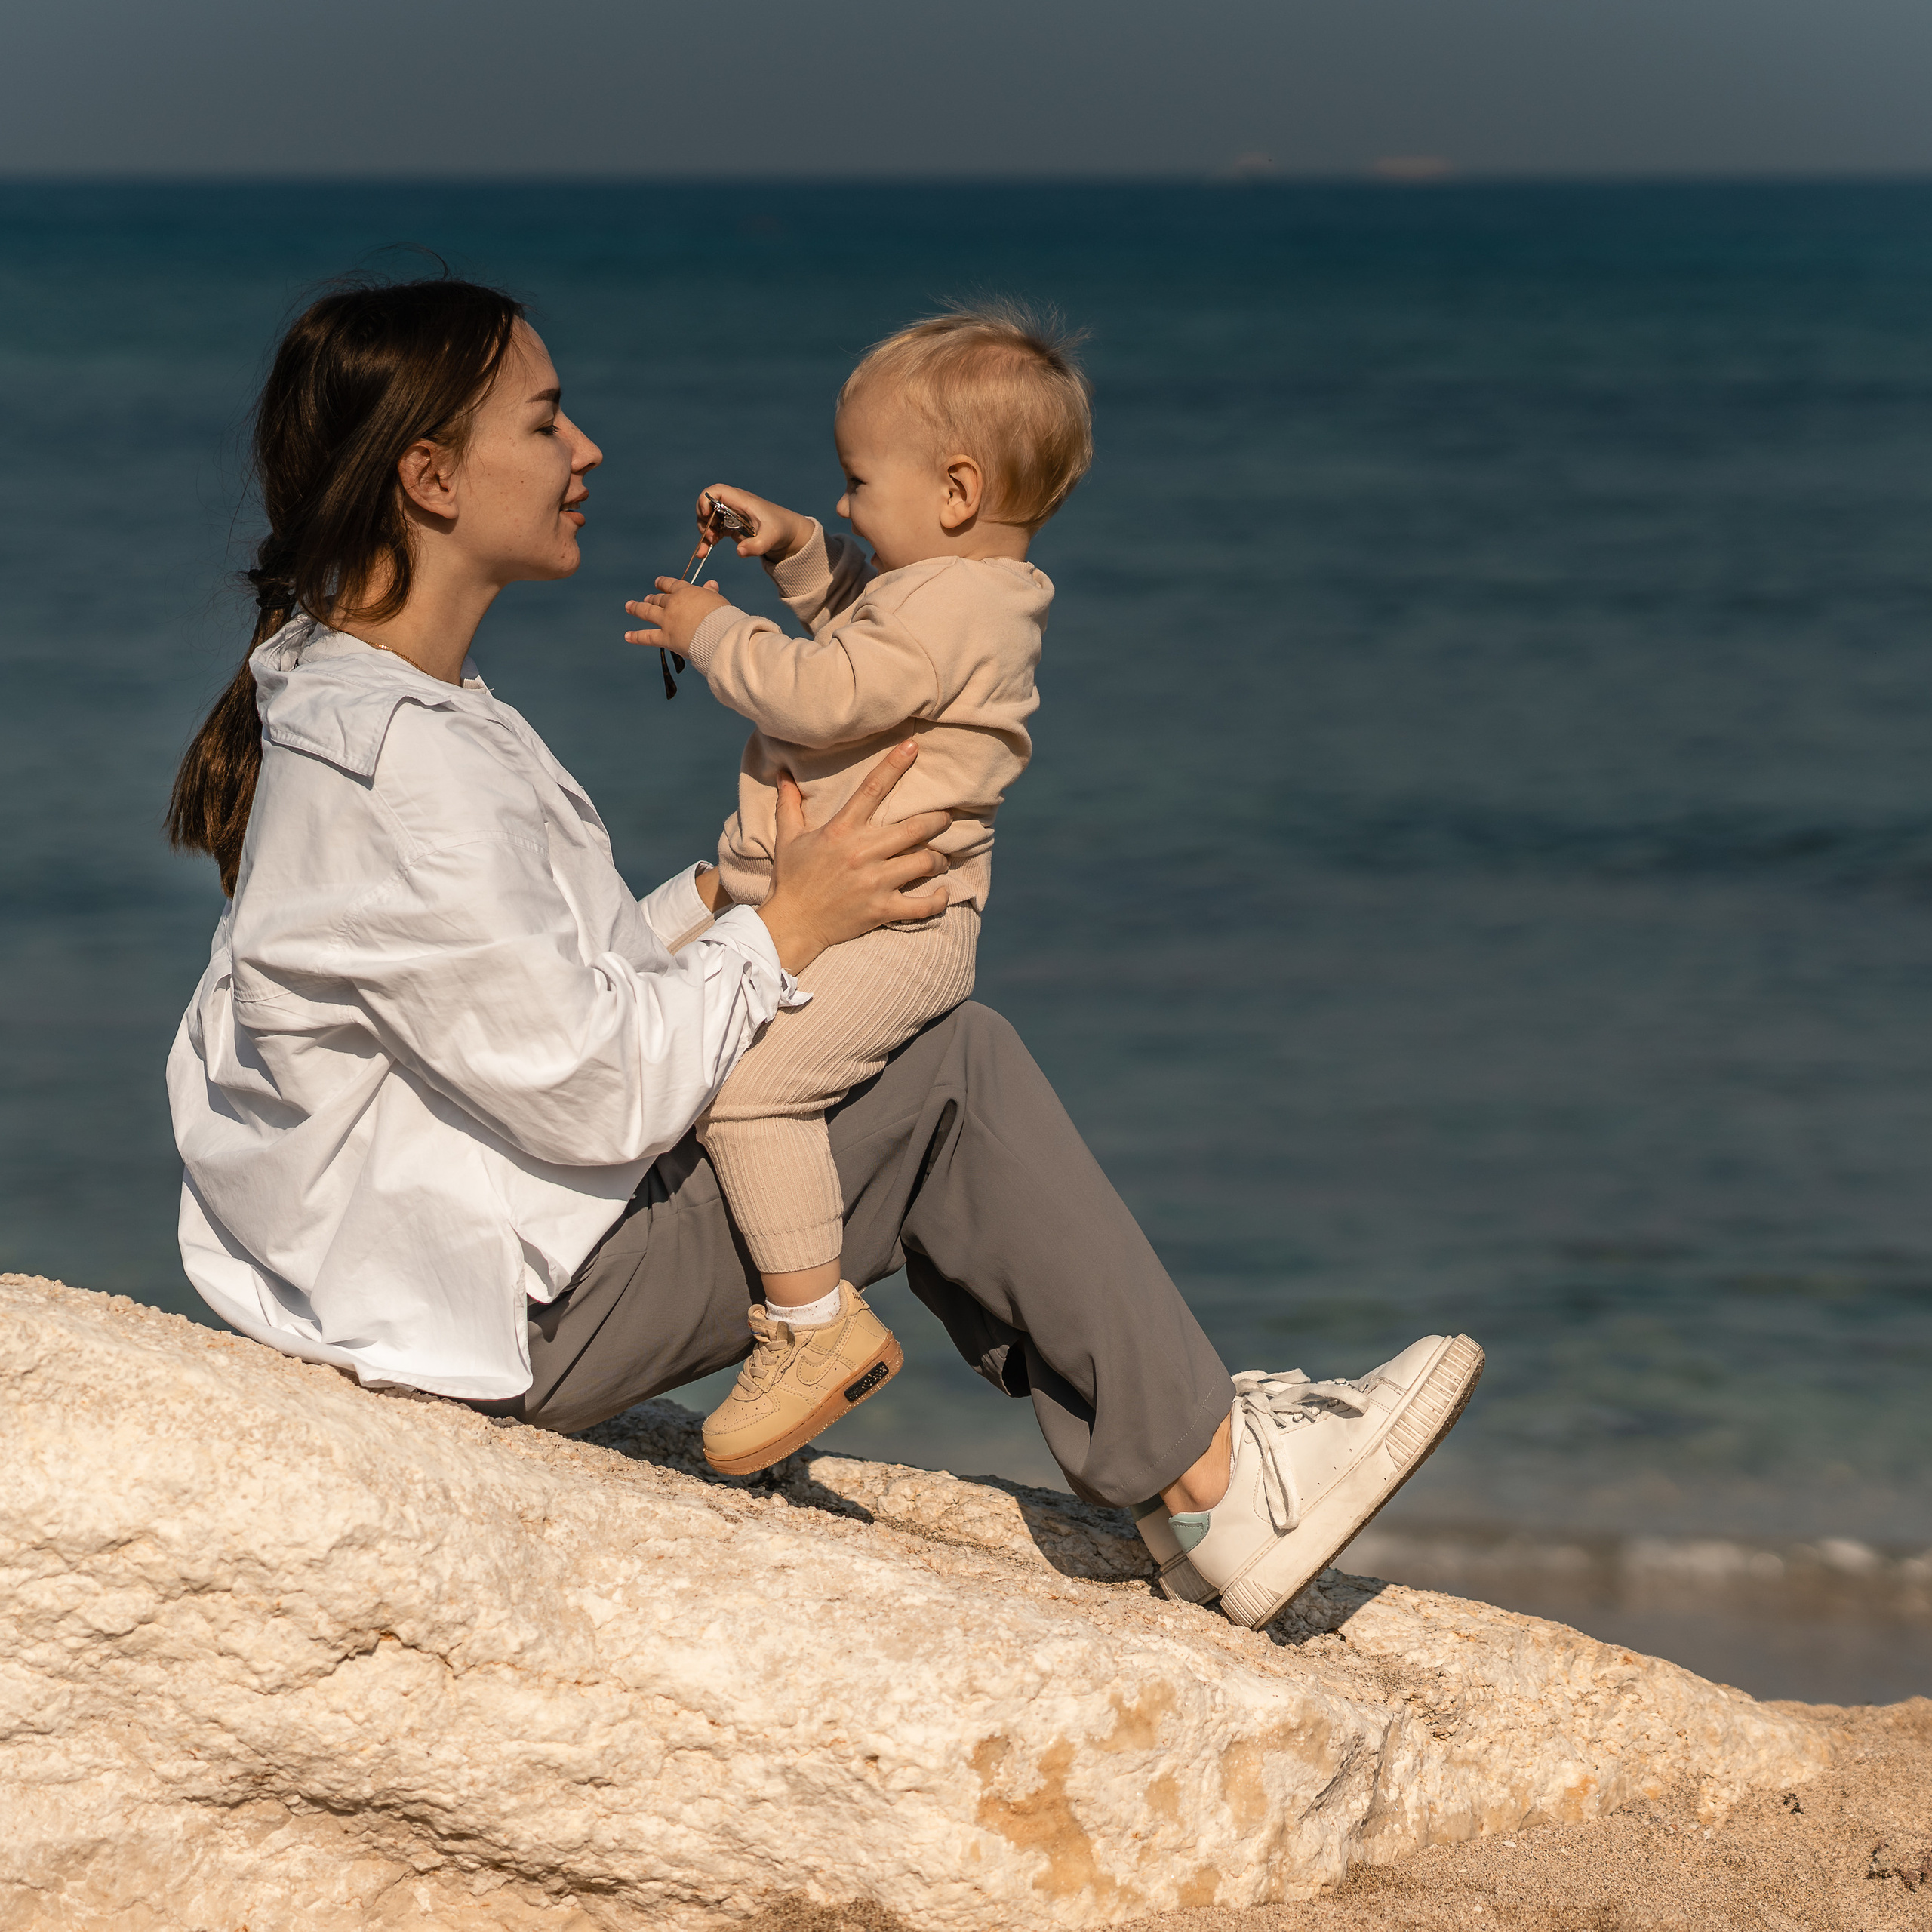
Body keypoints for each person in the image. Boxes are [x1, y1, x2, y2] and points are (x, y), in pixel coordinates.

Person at [165, 275, 1483, 1633]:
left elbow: (542, 985)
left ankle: (1173, 1454)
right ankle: (1215, 1479)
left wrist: (734, 897)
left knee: (881, 1058)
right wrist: (792, 924)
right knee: (949, 1073)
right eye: (549, 423)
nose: (588, 451)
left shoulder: (368, 698)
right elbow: (593, 1083)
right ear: (431, 476)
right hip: (504, 1313)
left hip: (443, 1265)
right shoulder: (404, 764)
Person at [620, 306, 1087, 1480]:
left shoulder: (955, 608)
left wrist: (713, 624)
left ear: (956, 489)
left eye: (855, 483)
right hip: (866, 913)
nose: (840, 505)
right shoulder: (957, 595)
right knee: (712, 1050)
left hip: (897, 926)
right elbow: (864, 642)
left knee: (750, 1100)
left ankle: (812, 1329)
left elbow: (824, 696)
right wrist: (790, 556)